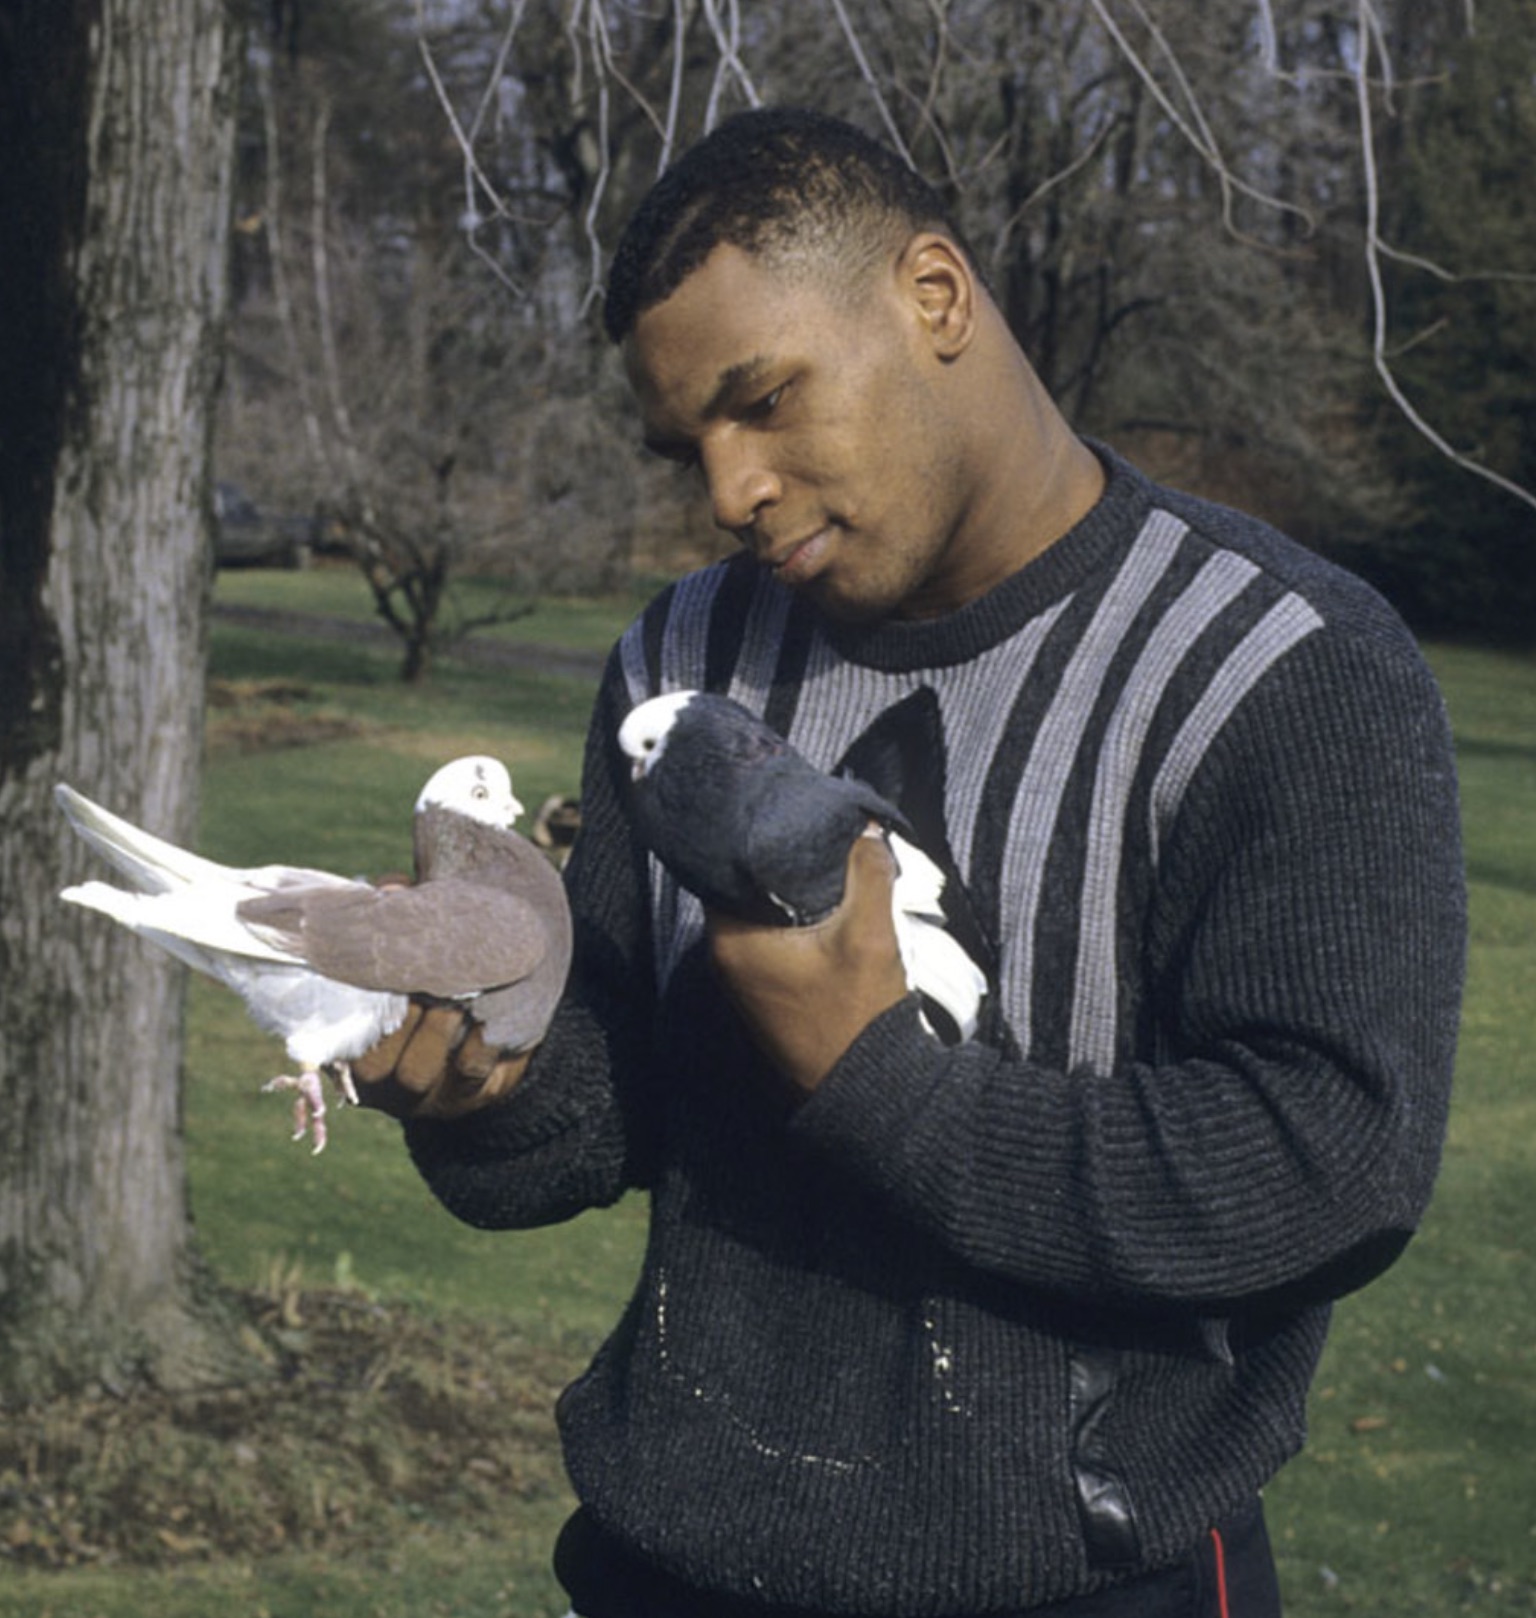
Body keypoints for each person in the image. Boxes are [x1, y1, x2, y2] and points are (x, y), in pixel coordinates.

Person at [350, 108, 1466, 1617]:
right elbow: (606, 1103)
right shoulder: (680, 661)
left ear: (934, 297)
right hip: (670, 1557)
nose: (728, 489)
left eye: (765, 399)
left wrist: (880, 1080)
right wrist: (481, 1086)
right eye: (692, 444)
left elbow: (1327, 1169)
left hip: (1082, 1576)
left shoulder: (1283, 666)